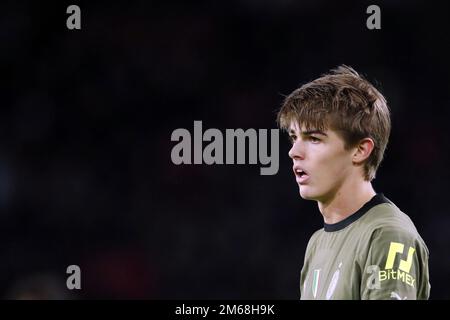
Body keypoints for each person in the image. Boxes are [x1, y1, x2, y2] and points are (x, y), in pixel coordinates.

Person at [277, 65, 430, 300]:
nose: (294, 151)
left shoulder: (387, 235)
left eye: (314, 138)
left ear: (360, 150)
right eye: (294, 137)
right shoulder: (317, 243)